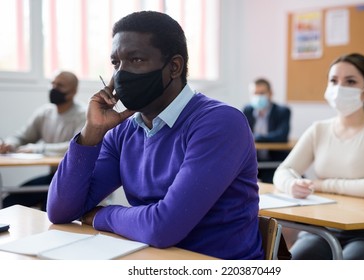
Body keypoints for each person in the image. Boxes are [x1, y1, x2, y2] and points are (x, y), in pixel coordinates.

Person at [46, 11, 263, 260]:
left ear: (174, 67)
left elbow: (163, 227)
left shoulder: (220, 123)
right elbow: (60, 210)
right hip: (150, 259)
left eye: (136, 60)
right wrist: (90, 134)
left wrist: (101, 215)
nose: (121, 75)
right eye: (116, 63)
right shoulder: (124, 130)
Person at [273, 53, 364, 260]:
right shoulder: (319, 129)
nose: (339, 87)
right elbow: (283, 171)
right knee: (296, 262)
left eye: (350, 81)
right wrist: (291, 184)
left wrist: (321, 184)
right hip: (322, 230)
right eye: (334, 81)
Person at [1, 71, 86, 210]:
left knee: (50, 207)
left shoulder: (83, 114)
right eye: (52, 83)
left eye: (60, 85)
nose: (53, 88)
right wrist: (10, 144)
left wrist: (39, 148)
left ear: (73, 92)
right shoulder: (45, 113)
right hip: (53, 177)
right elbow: (22, 136)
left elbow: (76, 146)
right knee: (10, 201)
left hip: (75, 179)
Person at [243, 78, 291, 183]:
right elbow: (242, 134)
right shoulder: (247, 110)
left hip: (274, 162)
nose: (258, 97)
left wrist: (257, 137)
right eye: (255, 93)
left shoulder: (282, 111)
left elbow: (281, 136)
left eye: (262, 93)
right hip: (252, 163)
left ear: (270, 93)